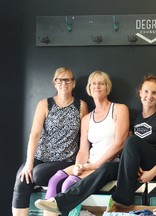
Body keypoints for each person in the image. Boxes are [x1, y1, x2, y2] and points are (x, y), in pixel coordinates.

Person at [34, 70, 130, 215]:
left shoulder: (119, 109)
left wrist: (94, 166)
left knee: (68, 183)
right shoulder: (86, 119)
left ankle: (62, 207)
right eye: (93, 83)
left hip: (110, 164)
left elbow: (119, 144)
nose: (96, 86)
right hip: (89, 163)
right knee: (55, 180)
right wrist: (79, 166)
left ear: (107, 87)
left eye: (101, 83)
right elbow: (83, 150)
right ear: (89, 88)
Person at [12, 67, 89, 216]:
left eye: (67, 79)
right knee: (22, 178)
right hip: (41, 157)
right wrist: (29, 163)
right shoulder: (44, 104)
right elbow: (34, 134)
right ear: (55, 83)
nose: (63, 83)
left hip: (66, 160)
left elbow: (84, 137)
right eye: (59, 79)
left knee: (38, 175)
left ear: (73, 83)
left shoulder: (81, 106)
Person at [111, 74, 156, 207]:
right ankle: (66, 199)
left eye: (154, 93)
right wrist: (133, 165)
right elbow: (128, 150)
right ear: (140, 93)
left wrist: (152, 173)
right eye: (146, 91)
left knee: (132, 141)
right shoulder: (134, 117)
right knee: (108, 168)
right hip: (141, 167)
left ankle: (123, 200)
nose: (149, 95)